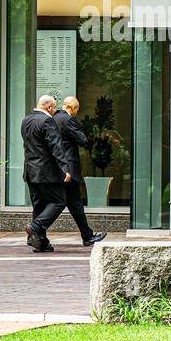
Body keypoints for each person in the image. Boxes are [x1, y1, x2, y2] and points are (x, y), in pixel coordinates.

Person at [19, 95, 71, 253]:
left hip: (30, 171)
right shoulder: (47, 121)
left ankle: (39, 242)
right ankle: (35, 227)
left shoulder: (26, 120)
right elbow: (55, 146)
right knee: (59, 202)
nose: (55, 111)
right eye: (54, 107)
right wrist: (65, 168)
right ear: (49, 107)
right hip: (46, 172)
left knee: (39, 205)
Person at [53, 96, 107, 246]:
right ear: (73, 108)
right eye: (77, 109)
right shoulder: (69, 120)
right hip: (69, 167)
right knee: (71, 203)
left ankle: (87, 235)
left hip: (56, 167)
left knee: (71, 203)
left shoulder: (54, 118)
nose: (77, 112)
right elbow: (82, 140)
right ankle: (37, 228)